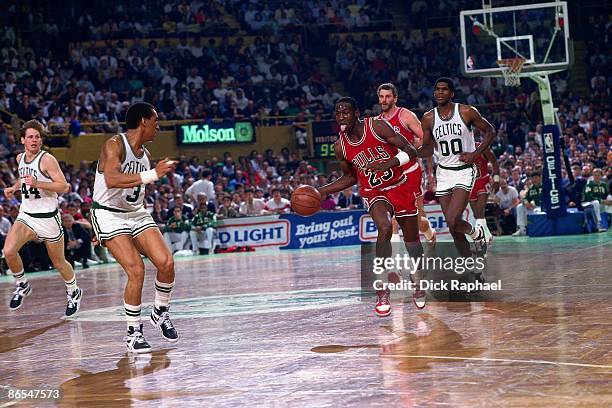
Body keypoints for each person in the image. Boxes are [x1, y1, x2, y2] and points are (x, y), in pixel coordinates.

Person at [318, 97, 425, 317]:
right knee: (384, 228)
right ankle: (382, 287)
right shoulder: (340, 146)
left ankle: (417, 280)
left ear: (356, 113)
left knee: (412, 241)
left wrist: (390, 163)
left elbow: (411, 151)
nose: (341, 117)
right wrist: (322, 191)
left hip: (399, 185)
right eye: (337, 113)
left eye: (345, 112)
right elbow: (350, 178)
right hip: (374, 192)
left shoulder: (377, 126)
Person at [91, 102, 178, 353]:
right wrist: (152, 175)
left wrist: (150, 173)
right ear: (143, 122)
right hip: (109, 215)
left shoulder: (146, 155)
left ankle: (160, 312)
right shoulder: (114, 144)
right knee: (136, 270)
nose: (158, 127)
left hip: (136, 213)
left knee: (166, 263)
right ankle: (133, 333)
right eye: (155, 121)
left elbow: (134, 193)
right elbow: (111, 179)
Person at [3, 120, 82, 317]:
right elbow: (23, 177)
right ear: (22, 140)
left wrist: (38, 183)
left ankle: (74, 291)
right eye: (30, 136)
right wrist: (14, 187)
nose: (34, 140)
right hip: (27, 215)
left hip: (48, 218)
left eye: (37, 137)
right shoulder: (20, 157)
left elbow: (64, 186)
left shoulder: (47, 160)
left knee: (59, 262)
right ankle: (22, 284)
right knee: (8, 250)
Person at [418, 78, 494, 270]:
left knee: (453, 219)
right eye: (437, 89)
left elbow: (490, 131)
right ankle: (472, 266)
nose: (440, 92)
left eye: (444, 90)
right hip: (443, 173)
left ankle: (477, 233)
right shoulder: (428, 118)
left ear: (452, 93)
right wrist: (410, 151)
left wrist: (475, 154)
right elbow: (427, 149)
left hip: (464, 171)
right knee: (453, 228)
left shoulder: (466, 111)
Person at [376, 83, 436, 244]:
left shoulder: (405, 115)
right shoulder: (377, 123)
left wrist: (430, 173)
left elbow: (427, 140)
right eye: (381, 96)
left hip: (411, 172)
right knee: (394, 220)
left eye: (388, 96)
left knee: (416, 219)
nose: (384, 99)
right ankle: (396, 262)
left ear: (395, 98)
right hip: (391, 175)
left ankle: (429, 233)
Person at [468, 142, 499, 247]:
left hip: (483, 180)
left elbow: (494, 161)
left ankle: (481, 239)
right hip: (470, 183)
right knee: (476, 214)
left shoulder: (481, 146)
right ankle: (487, 234)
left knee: (480, 211)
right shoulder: (460, 148)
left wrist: (496, 179)